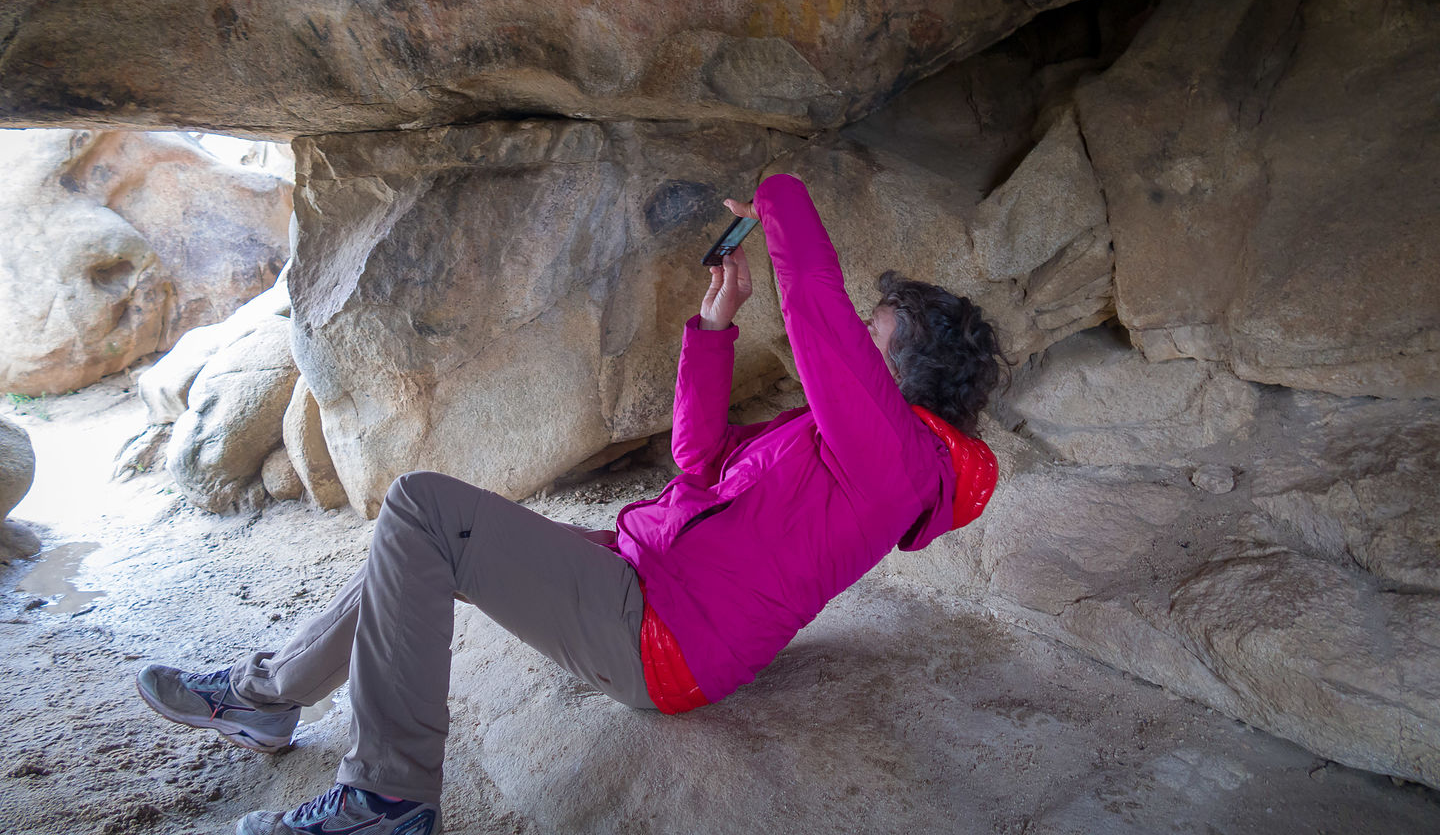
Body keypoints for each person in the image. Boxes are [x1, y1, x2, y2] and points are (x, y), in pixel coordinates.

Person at [135, 173, 1004, 835]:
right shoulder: (833, 442)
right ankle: (265, 695)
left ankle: (385, 798)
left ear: (905, 376)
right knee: (425, 546)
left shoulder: (895, 460)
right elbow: (698, 464)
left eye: (874, 336)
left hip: (662, 636)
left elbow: (818, 305)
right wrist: (712, 330)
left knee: (421, 508)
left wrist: (782, 197)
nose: (853, 343)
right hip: (640, 578)